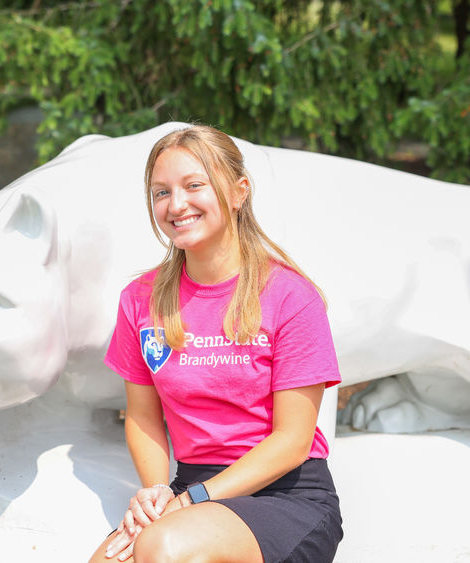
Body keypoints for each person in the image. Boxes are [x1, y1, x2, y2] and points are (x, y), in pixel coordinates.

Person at [89, 124, 343, 563]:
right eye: (161, 192)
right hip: (190, 487)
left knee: (165, 547)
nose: (176, 204)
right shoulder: (140, 300)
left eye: (193, 185)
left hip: (285, 495)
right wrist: (156, 494)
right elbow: (144, 418)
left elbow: (293, 440)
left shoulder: (290, 296)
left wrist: (189, 503)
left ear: (239, 191)